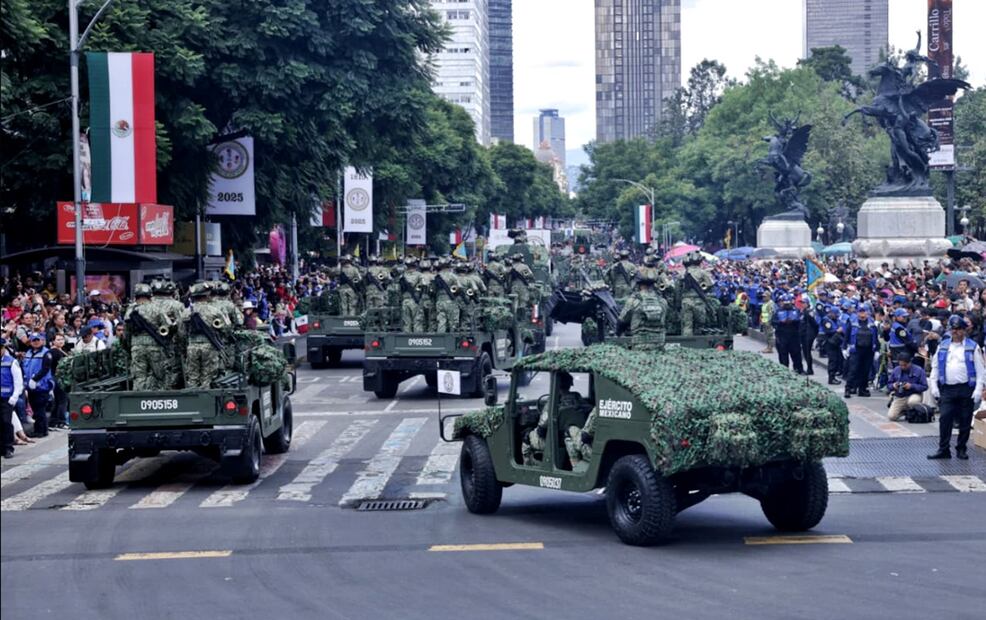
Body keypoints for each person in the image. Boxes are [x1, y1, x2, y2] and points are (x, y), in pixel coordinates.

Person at [927, 315, 983, 460]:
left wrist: (978, 389)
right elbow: (935, 367)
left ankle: (961, 448)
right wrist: (933, 385)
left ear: (964, 330)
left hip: (966, 388)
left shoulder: (972, 346)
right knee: (945, 418)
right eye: (953, 329)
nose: (955, 332)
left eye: (958, 329)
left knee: (965, 420)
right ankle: (943, 448)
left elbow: (980, 370)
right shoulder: (943, 345)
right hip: (948, 388)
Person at [184, 283, 229, 389]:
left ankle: (192, 398)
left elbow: (181, 332)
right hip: (210, 346)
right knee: (207, 377)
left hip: (192, 346)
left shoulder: (186, 312)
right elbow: (226, 328)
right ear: (207, 295)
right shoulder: (214, 311)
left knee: (192, 377)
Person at [617, 274, 669, 351]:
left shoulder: (633, 301)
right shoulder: (662, 301)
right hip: (659, 344)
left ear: (639, 285)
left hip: (640, 344)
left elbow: (622, 321)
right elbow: (665, 321)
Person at [21, 333, 54, 438]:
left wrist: (35, 379)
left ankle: (40, 431)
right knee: (35, 409)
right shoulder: (28, 353)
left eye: (37, 340)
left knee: (40, 408)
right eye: (33, 340)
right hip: (30, 386)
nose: (36, 342)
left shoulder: (46, 353)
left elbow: (45, 369)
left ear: (42, 340)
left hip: (41, 385)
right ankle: (42, 429)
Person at [845, 306, 878, 398]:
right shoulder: (852, 322)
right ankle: (848, 389)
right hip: (856, 350)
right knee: (853, 369)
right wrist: (844, 348)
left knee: (865, 370)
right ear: (857, 313)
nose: (862, 314)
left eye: (864, 312)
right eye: (860, 312)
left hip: (868, 350)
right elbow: (846, 335)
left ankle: (862, 389)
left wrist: (877, 350)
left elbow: (876, 336)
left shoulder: (872, 323)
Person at [887, 352, 928, 421]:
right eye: (901, 365)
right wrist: (893, 386)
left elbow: (925, 386)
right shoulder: (896, 370)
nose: (903, 367)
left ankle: (912, 411)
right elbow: (888, 385)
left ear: (910, 362)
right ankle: (905, 411)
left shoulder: (919, 370)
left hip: (914, 394)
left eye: (905, 365)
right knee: (891, 416)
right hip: (900, 396)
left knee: (912, 401)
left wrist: (911, 386)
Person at [2, 338, 25, 458]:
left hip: (7, 398)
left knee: (6, 422)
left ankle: (8, 448)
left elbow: (18, 381)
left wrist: (15, 396)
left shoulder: (11, 362)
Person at [772, 294, 804, 373]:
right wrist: (781, 322)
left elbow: (801, 322)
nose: (786, 305)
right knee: (783, 355)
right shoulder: (778, 311)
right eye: (785, 303)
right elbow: (773, 322)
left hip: (794, 336)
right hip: (782, 336)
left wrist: (793, 321)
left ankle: (798, 369)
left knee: (796, 354)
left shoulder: (796, 310)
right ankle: (784, 370)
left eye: (788, 303)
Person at [433, 258, 460, 333]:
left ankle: (440, 340)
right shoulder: (453, 276)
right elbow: (459, 288)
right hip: (451, 301)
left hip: (439, 301)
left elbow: (433, 290)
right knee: (453, 323)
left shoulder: (436, 277)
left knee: (441, 322)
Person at [820, 305, 843, 385]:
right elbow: (829, 330)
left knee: (837, 360)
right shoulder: (826, 320)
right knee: (833, 360)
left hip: (836, 342)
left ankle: (833, 376)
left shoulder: (835, 319)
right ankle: (831, 378)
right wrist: (837, 330)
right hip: (829, 342)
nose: (836, 316)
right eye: (835, 314)